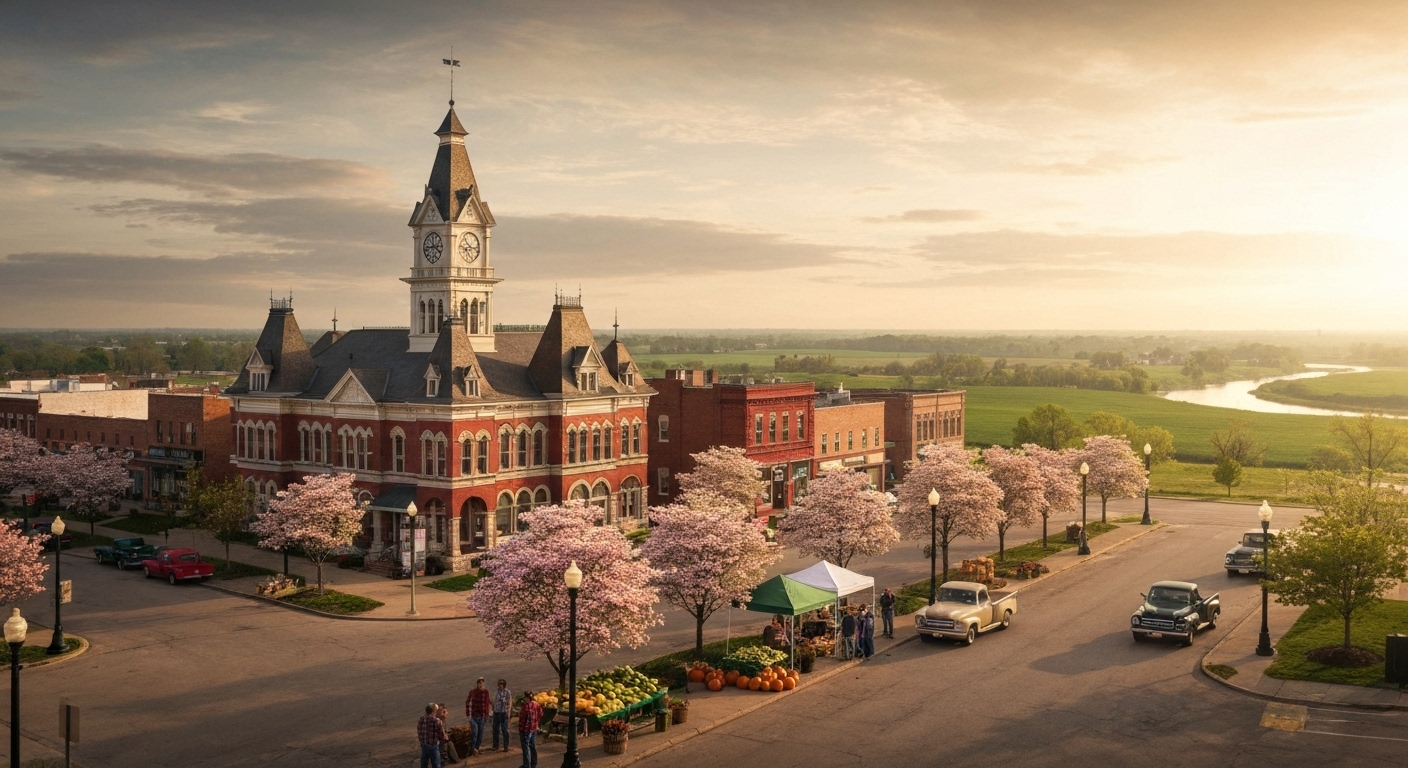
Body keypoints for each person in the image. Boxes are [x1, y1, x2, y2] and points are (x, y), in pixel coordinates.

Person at [418, 703, 450, 768]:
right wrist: (446, 738)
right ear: (434, 711)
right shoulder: (437, 721)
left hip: (424, 745)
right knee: (436, 764)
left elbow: (419, 730)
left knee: (424, 764)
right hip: (433, 746)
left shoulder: (422, 719)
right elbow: (442, 735)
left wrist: (421, 741)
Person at [465, 677, 491, 756]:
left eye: (482, 683)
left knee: (480, 734)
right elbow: (468, 703)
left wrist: (487, 715)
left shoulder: (485, 692)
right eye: (479, 683)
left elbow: (487, 703)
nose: (481, 685)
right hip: (474, 717)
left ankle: (476, 748)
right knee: (475, 733)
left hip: (482, 716)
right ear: (477, 684)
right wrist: (469, 716)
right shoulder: (472, 692)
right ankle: (473, 749)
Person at [518, 690, 543, 768]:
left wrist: (521, 728)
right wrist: (536, 722)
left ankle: (527, 765)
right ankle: (533, 763)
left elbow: (522, 719)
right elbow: (541, 714)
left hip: (525, 730)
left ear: (527, 698)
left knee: (526, 748)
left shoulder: (526, 707)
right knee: (533, 746)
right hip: (533, 729)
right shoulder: (536, 705)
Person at [492, 679, 513, 752]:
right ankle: (495, 745)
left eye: (502, 684)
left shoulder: (507, 692)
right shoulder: (496, 692)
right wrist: (493, 710)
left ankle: (506, 746)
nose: (500, 686)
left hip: (504, 713)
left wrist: (509, 711)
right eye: (499, 684)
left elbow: (509, 702)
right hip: (497, 712)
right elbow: (494, 701)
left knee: (504, 730)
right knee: (495, 729)